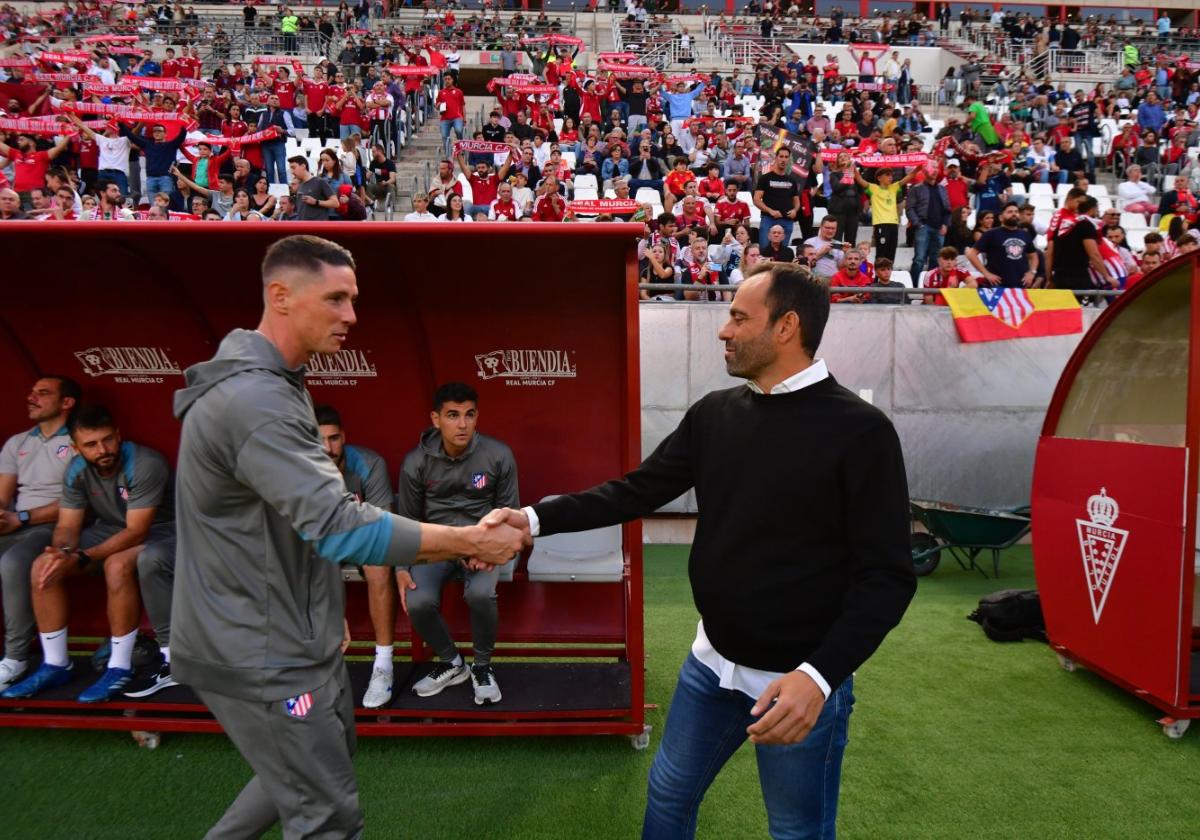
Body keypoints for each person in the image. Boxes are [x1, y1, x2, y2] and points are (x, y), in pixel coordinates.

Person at [483, 261, 915, 839]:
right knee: (667, 796)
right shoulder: (715, 413)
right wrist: (533, 519)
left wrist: (818, 677)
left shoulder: (862, 432)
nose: (724, 330)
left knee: (797, 831)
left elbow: (888, 577)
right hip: (709, 667)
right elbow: (636, 490)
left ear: (786, 327)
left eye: (739, 317)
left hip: (796, 683)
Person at [169, 235, 527, 837]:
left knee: (325, 751)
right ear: (280, 297)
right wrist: (468, 541)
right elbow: (338, 526)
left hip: (291, 631)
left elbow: (292, 521)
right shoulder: (255, 399)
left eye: (353, 299)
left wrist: (319, 606)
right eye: (336, 299)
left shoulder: (276, 383)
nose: (352, 316)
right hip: (260, 648)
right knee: (328, 815)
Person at [1, 405, 176, 703]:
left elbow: (136, 530)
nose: (103, 449)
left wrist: (82, 557)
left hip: (162, 531)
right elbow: (68, 525)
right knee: (45, 564)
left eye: (108, 439)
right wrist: (63, 553)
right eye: (91, 444)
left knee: (116, 564)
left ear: (118, 436)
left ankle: (118, 667)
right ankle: (56, 664)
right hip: (108, 529)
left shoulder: (145, 462)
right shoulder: (77, 469)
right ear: (75, 447)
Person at [393, 382, 520, 706]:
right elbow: (406, 520)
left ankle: (482, 667)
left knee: (479, 593)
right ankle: (453, 663)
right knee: (417, 601)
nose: (462, 424)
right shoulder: (416, 462)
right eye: (453, 415)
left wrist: (485, 551)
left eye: (469, 415)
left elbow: (510, 516)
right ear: (436, 419)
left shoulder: (498, 455)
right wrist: (401, 567)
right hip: (438, 544)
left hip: (485, 542)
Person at [0, 376, 81, 692]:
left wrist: (20, 517)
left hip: (54, 527)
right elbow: (3, 494)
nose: (32, 398)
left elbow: (77, 503)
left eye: (43, 393)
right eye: (32, 392)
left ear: (66, 403)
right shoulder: (18, 442)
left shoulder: (78, 440)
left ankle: (16, 658)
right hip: (14, 523)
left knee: (12, 563)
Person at [313, 405, 396, 709]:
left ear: (343, 436)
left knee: (378, 564)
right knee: (300, 563)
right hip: (321, 540)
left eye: (334, 439)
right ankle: (317, 663)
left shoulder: (369, 463)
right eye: (319, 440)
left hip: (364, 535)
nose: (328, 448)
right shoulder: (300, 468)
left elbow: (382, 524)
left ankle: (383, 664)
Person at [853, 163, 919, 264]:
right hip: (881, 224)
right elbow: (859, 179)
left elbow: (909, 177)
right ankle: (877, 278)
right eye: (887, 175)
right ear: (879, 178)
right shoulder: (873, 188)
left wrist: (919, 167)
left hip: (893, 224)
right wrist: (852, 166)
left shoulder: (894, 187)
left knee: (891, 252)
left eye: (891, 175)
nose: (891, 177)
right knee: (881, 253)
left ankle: (888, 275)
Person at [966, 201, 1038, 288]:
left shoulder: (1024, 234)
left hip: (1020, 284)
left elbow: (1034, 256)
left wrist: (1032, 273)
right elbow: (971, 254)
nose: (1014, 214)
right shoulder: (991, 234)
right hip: (997, 285)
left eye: (1016, 212)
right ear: (1001, 217)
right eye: (1010, 212)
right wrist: (986, 273)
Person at [753, 146, 801, 249]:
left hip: (787, 221)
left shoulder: (792, 180)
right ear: (776, 158)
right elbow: (756, 200)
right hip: (768, 219)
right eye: (781, 156)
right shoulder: (765, 178)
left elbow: (796, 201)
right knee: (764, 251)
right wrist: (770, 211)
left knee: (783, 253)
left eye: (786, 157)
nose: (783, 159)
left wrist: (795, 210)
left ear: (789, 159)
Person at [288, 155, 339, 221]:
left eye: (293, 167)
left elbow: (335, 203)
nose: (292, 172)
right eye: (291, 168)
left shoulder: (320, 182)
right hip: (303, 227)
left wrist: (316, 202)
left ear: (303, 166)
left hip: (317, 228)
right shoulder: (300, 184)